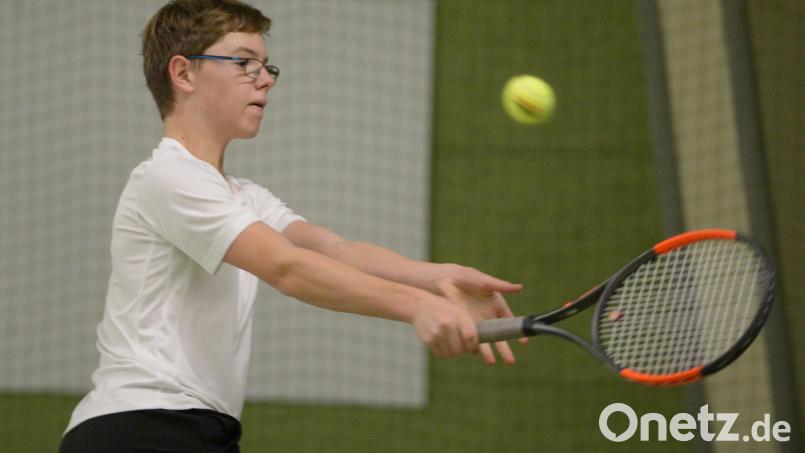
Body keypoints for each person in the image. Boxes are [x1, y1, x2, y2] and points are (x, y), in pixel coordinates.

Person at [60, 1, 526, 451]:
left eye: (265, 66)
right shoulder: (169, 176)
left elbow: (334, 251)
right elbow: (287, 268)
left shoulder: (241, 196)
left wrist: (437, 278)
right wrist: (418, 306)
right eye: (244, 63)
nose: (265, 78)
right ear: (183, 74)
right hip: (140, 427)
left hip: (197, 428)